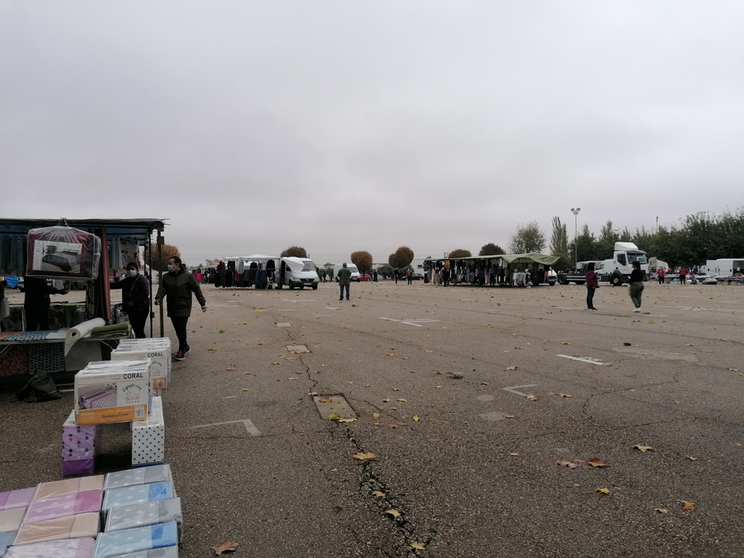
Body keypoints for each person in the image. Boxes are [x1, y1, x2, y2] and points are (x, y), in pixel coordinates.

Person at [155, 256, 207, 361]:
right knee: (177, 329)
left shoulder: (188, 276)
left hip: (184, 306)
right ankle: (186, 346)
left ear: (177, 264)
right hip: (172, 306)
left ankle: (181, 351)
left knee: (181, 328)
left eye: (170, 263)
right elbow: (162, 289)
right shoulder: (166, 277)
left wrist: (202, 303)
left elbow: (196, 289)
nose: (169, 265)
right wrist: (158, 298)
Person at [110, 262, 150, 339]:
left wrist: (133, 301)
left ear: (137, 270)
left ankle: (142, 344)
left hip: (141, 309)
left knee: (139, 329)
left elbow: (145, 292)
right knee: (135, 328)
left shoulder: (141, 280)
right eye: (128, 269)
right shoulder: (127, 281)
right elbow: (116, 285)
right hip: (131, 309)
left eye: (132, 269)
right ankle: (139, 343)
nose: (130, 271)